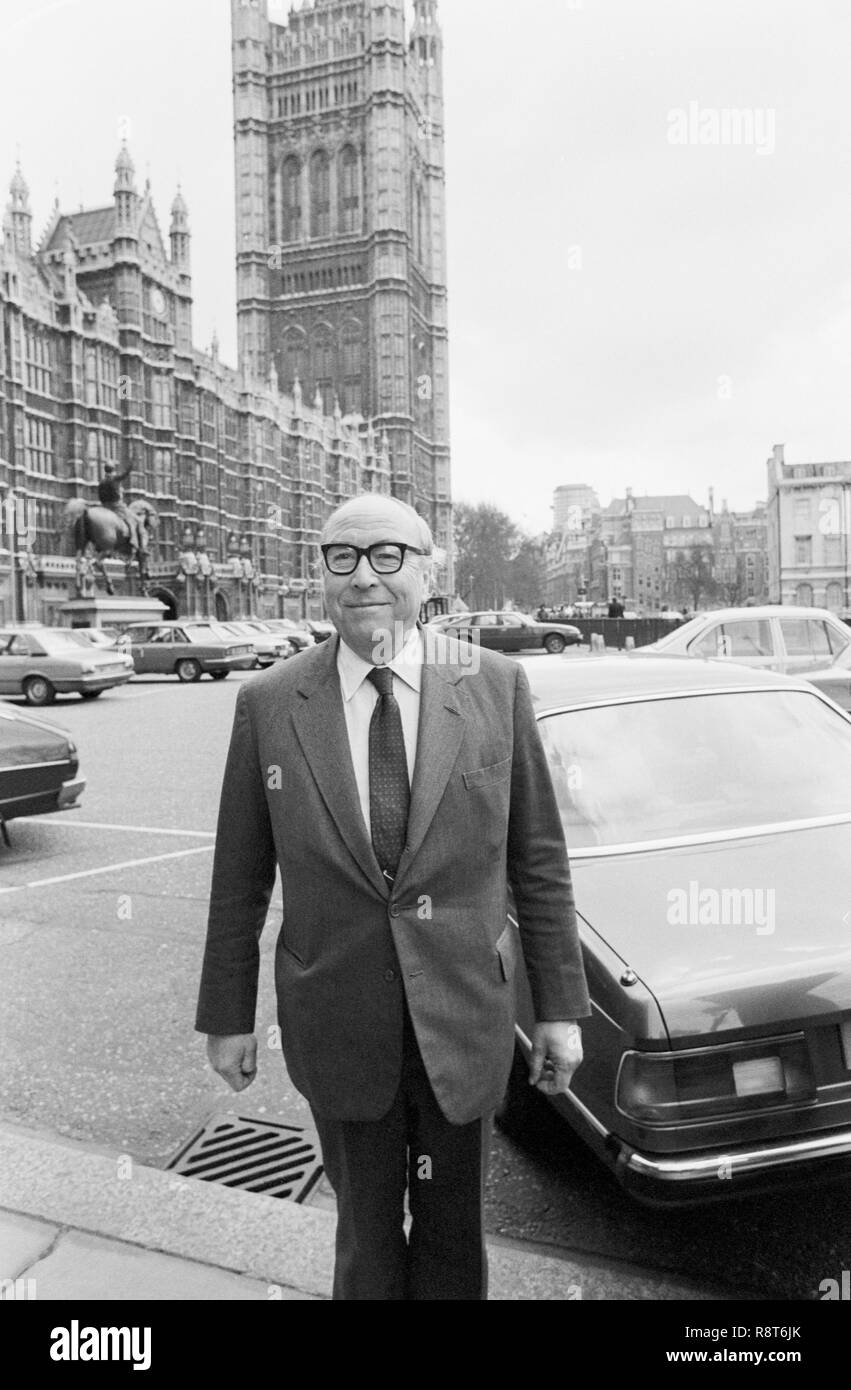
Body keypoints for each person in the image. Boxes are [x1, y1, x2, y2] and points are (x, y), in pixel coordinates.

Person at [195, 495, 591, 1301]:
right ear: (321, 576)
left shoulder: (495, 686)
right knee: (364, 1240)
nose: (365, 576)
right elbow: (239, 878)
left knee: (453, 1241)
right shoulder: (270, 703)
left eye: (387, 555)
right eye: (342, 558)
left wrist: (558, 1010)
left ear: (426, 571)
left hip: (461, 1017)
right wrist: (227, 1016)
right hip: (336, 1020)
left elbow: (538, 861)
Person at [97, 463, 146, 556]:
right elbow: (125, 474)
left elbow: (100, 496)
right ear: (113, 470)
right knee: (138, 521)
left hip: (104, 507)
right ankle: (136, 545)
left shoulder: (101, 482)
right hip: (117, 507)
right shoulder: (115, 479)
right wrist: (131, 464)